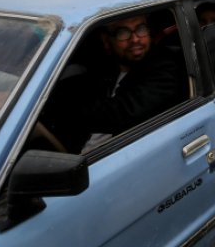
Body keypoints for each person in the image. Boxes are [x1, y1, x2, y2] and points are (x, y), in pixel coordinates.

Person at [41, 15, 186, 153]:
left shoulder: (164, 67)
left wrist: (64, 111)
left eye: (141, 29)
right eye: (123, 32)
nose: (135, 39)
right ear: (106, 41)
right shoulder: (105, 67)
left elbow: (122, 112)